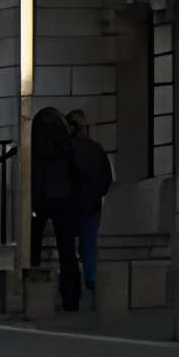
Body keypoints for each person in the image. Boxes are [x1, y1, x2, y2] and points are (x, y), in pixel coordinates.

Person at [58, 107, 113, 310]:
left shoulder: (65, 150)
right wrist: (97, 194)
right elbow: (107, 178)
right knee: (89, 246)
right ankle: (92, 282)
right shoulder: (96, 149)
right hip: (91, 205)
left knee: (68, 249)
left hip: (70, 205)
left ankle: (71, 290)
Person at [26, 107, 70, 280]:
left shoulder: (35, 148)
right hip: (60, 196)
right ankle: (69, 290)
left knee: (34, 241)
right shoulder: (65, 145)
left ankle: (32, 277)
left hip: (39, 196)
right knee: (65, 245)